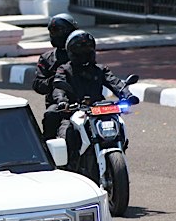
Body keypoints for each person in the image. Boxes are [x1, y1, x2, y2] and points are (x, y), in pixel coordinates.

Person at [52, 30, 139, 163]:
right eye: (80, 51)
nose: (84, 54)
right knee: (66, 135)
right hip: (74, 110)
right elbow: (58, 88)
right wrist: (62, 102)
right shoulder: (64, 70)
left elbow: (115, 82)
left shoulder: (100, 69)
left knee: (119, 126)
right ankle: (68, 167)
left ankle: (118, 152)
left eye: (87, 50)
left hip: (99, 109)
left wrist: (127, 95)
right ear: (71, 52)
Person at [33, 13, 79, 140]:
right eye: (53, 31)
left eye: (58, 31)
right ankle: (50, 151)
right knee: (51, 115)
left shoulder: (82, 52)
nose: (55, 35)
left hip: (84, 100)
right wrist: (57, 79)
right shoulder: (47, 58)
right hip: (59, 104)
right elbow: (38, 85)